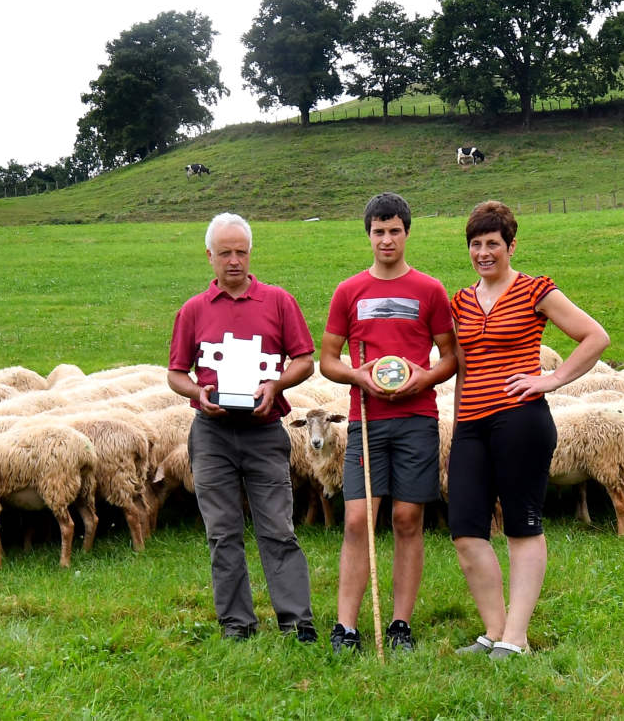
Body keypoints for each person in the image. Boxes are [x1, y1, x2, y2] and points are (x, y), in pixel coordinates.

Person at [447, 200, 609, 659]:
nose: (483, 252)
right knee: (465, 530)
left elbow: (595, 337)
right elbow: (457, 365)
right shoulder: (459, 300)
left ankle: (516, 637)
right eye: (476, 244)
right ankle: (494, 631)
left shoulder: (535, 290)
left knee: (521, 526)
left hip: (521, 420)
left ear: (510, 245)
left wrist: (552, 379)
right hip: (470, 424)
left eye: (492, 244)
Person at [166, 212, 319, 643]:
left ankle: (296, 622)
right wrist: (197, 393)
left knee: (278, 528)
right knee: (222, 532)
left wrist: (276, 385)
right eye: (225, 253)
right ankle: (237, 624)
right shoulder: (193, 311)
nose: (234, 261)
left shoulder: (278, 302)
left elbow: (304, 360)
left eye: (241, 252)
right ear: (210, 256)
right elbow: (176, 373)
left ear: (250, 253)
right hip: (211, 435)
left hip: (264, 430)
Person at [318, 192, 456, 654]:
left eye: (395, 230)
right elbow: (329, 360)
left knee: (407, 517)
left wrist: (425, 377)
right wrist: (358, 376)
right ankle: (346, 628)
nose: (387, 239)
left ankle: (400, 624)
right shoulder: (349, 291)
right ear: (368, 235)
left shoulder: (430, 290)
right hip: (365, 420)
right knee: (358, 519)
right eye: (379, 231)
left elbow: (450, 356)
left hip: (416, 418)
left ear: (407, 233)